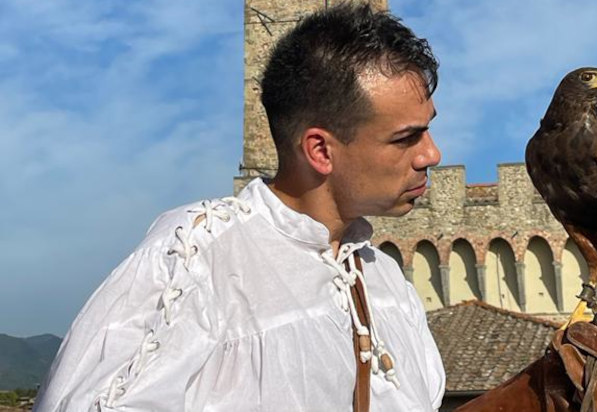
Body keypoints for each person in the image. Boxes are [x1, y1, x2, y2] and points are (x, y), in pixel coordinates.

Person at [35, 4, 445, 411]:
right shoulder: (197, 257)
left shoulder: (385, 277)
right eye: (407, 137)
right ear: (320, 150)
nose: (432, 154)